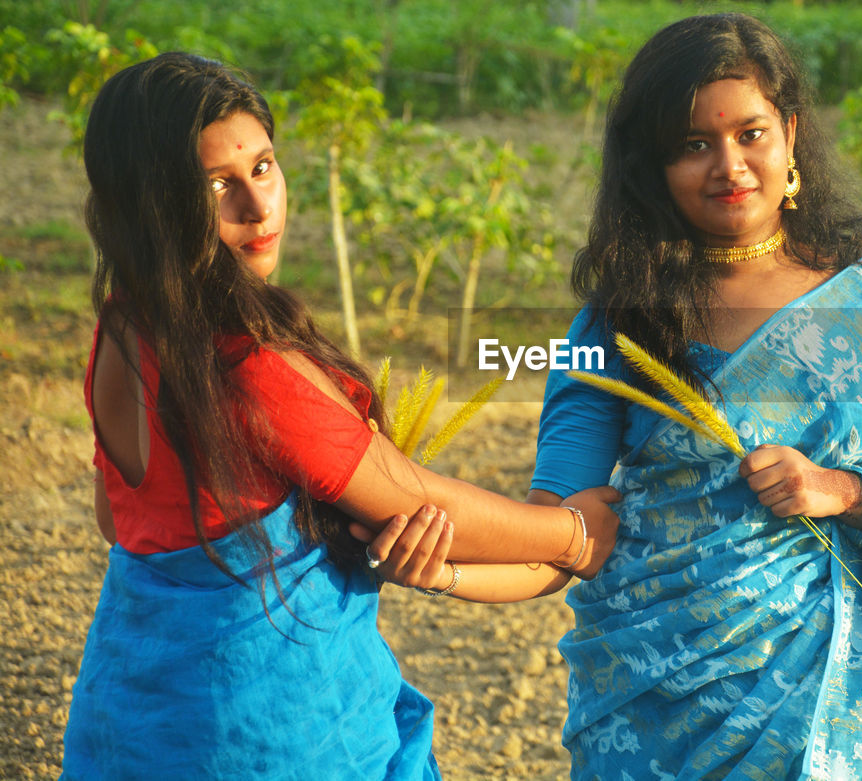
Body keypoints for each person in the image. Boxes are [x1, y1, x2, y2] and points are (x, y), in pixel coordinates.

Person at [61, 51, 619, 780]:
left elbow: (119, 518)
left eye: (263, 167)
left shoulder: (123, 326)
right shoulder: (244, 366)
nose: (258, 207)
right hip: (267, 732)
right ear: (152, 203)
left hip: (132, 714)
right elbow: (417, 498)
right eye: (216, 185)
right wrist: (575, 534)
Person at [522, 13, 862, 779]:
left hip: (827, 704)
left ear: (789, 135)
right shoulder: (615, 323)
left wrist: (842, 488)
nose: (730, 164)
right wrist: (432, 540)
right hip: (654, 703)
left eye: (750, 133)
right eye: (693, 145)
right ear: (652, 166)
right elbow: (559, 515)